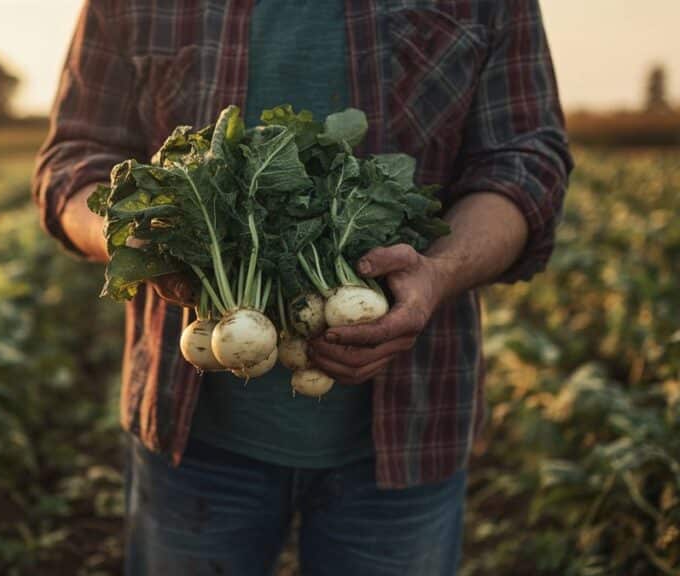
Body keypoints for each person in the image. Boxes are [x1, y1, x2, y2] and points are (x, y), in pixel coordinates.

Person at [33, 1, 572, 574]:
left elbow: (523, 162)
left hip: (411, 427)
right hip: (189, 428)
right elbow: (75, 158)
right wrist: (133, 238)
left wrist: (437, 273)